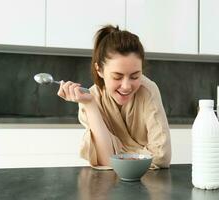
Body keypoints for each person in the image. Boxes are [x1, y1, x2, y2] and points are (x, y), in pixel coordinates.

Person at [57, 25, 171, 169]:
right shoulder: (90, 98)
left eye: (135, 76)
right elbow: (106, 160)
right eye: (117, 76)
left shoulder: (148, 90)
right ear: (99, 70)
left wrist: (120, 156)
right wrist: (91, 105)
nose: (126, 86)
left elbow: (162, 156)